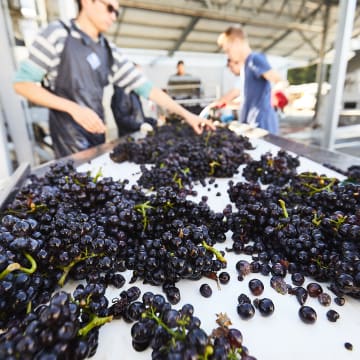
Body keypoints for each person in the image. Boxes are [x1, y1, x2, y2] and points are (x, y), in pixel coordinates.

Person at [13, 0, 213, 158]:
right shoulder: (57, 34)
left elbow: (146, 88)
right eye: (109, 7)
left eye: (116, 11)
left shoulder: (109, 51)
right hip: (67, 137)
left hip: (97, 131)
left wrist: (187, 115)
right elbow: (22, 84)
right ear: (87, 2)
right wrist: (74, 108)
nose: (113, 16)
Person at [217, 25, 287, 134]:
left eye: (228, 50)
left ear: (236, 42)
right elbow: (250, 97)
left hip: (262, 125)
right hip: (251, 124)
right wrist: (228, 103)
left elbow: (280, 81)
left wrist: (277, 92)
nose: (228, 55)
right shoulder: (245, 67)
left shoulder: (255, 59)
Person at [111, 63, 157, 137]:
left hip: (137, 135)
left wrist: (154, 121)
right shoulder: (121, 94)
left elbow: (140, 117)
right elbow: (121, 119)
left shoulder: (133, 93)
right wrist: (139, 125)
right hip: (128, 137)